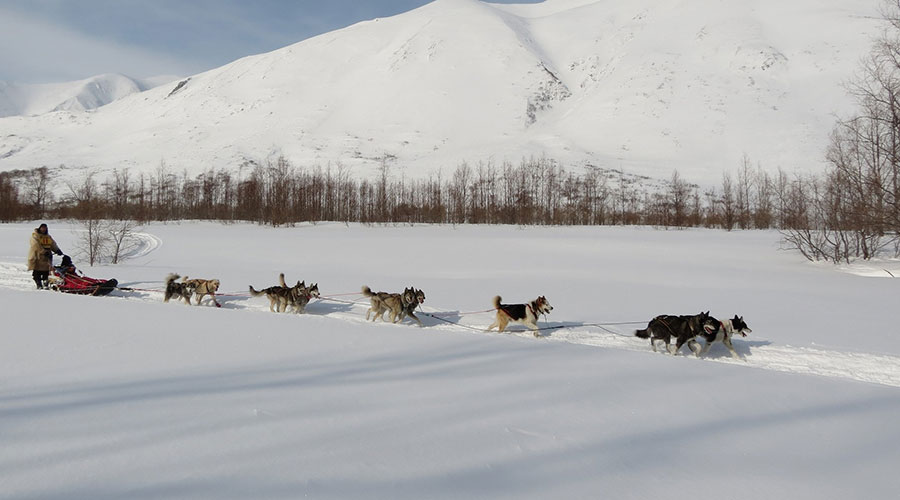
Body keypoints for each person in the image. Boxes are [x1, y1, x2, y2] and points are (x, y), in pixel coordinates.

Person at [27, 223, 63, 289]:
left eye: (45, 228)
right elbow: (35, 245)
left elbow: (52, 244)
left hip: (47, 256)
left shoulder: (48, 237)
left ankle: (45, 282)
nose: (44, 229)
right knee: (37, 271)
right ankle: (38, 284)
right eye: (42, 228)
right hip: (37, 256)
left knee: (46, 271)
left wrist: (57, 250)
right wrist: (43, 251)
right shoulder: (35, 236)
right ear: (40, 228)